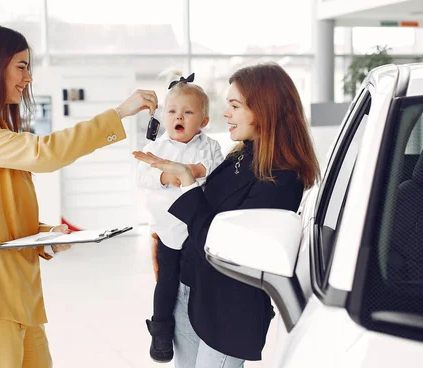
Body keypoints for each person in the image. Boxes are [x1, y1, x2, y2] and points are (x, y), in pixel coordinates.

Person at [0, 24, 157, 368]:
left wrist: (45, 237)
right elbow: (45, 153)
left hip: (18, 298)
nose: (28, 79)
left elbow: (1, 216)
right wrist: (119, 114)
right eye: (21, 67)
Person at [134, 63, 320, 368]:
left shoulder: (282, 178)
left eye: (234, 105)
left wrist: (186, 181)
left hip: (226, 311)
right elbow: (209, 211)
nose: (226, 113)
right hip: (190, 288)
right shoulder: (242, 153)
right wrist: (168, 239)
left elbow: (225, 243)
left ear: (265, 110)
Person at [137, 71, 224, 363]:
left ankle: (198, 324)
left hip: (196, 230)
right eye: (173, 111)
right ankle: (160, 332)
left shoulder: (209, 147)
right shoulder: (157, 147)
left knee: (191, 283)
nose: (179, 117)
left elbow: (215, 167)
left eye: (188, 112)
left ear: (203, 121)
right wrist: (163, 175)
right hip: (166, 229)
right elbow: (142, 175)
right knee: (166, 281)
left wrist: (195, 171)